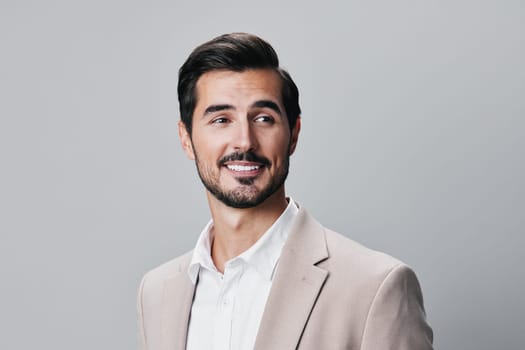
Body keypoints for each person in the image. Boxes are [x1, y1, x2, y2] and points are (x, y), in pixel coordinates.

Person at [137, 32, 433, 350]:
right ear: (186, 139)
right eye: (221, 119)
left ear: (293, 134)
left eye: (264, 118)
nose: (245, 141)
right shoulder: (156, 293)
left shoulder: (375, 287)